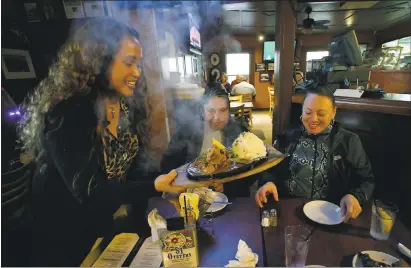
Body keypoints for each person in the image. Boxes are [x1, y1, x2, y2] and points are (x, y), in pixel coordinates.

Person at [18, 18, 184, 266]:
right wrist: (156, 187)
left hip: (100, 227)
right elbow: (91, 192)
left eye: (138, 63)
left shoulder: (125, 105)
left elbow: (136, 168)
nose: (137, 72)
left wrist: (163, 189)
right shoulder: (67, 112)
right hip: (60, 236)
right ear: (100, 62)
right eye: (129, 63)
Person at [255, 87, 375, 223]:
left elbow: (367, 181)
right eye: (308, 112)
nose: (313, 119)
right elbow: (269, 168)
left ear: (333, 112)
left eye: (321, 113)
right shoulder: (289, 135)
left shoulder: (349, 141)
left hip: (331, 214)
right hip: (289, 211)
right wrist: (268, 182)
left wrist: (355, 196)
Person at [161, 82, 262, 198]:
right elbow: (167, 166)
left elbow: (252, 174)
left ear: (229, 111)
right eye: (211, 110)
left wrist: (227, 185)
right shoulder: (186, 132)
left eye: (223, 110)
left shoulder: (240, 133)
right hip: (191, 199)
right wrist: (191, 183)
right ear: (202, 110)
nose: (217, 118)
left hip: (230, 200)